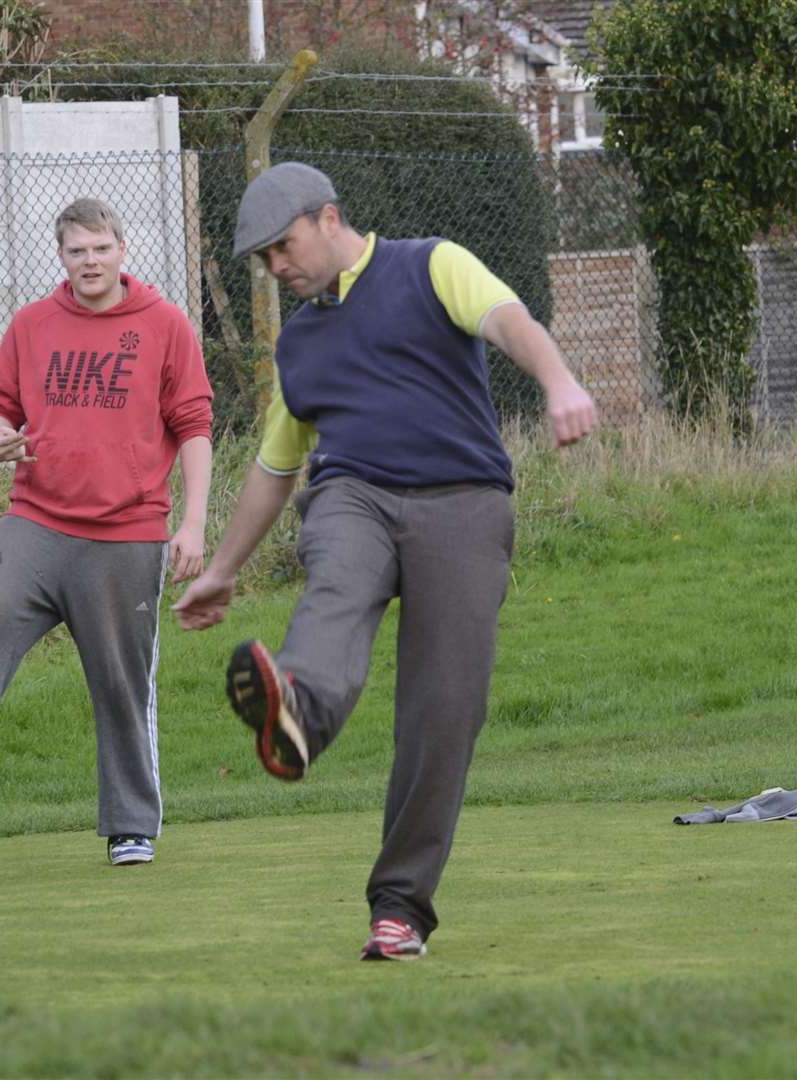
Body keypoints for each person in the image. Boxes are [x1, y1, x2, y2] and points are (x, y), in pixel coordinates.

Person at [173, 163, 598, 960]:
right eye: (263, 260)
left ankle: (400, 906)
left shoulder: (431, 264)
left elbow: (509, 321)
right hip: (355, 494)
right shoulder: (298, 342)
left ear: (328, 218)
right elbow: (274, 468)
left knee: (446, 710)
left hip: (465, 501)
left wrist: (559, 380)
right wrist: (224, 567)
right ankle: (298, 711)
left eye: (283, 247)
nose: (277, 269)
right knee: (338, 578)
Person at [0, 198, 214, 867]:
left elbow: (194, 425)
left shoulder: (166, 326)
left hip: (127, 532)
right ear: (61, 255)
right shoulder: (32, 325)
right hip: (36, 519)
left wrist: (193, 523)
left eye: (101, 248)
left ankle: (131, 825)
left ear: (122, 249)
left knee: (122, 682)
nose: (90, 261)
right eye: (77, 251)